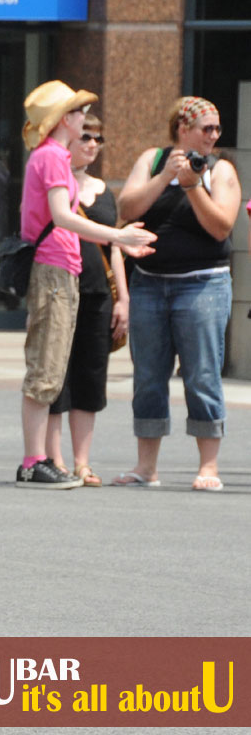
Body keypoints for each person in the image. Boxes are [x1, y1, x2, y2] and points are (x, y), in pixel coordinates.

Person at [16, 82, 156, 489]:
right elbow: (62, 217)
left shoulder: (50, 156)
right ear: (63, 119)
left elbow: (66, 217)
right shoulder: (54, 158)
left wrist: (118, 237)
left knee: (52, 367)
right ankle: (33, 460)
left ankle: (38, 458)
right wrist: (119, 237)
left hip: (61, 271)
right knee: (46, 369)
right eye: (78, 112)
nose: (84, 119)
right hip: (54, 271)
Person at [111, 96, 241, 491]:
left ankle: (209, 467)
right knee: (148, 375)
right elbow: (128, 209)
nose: (214, 136)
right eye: (207, 128)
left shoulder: (221, 171)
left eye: (217, 129)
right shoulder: (152, 159)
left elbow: (221, 227)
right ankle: (146, 467)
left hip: (203, 284)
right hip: (150, 282)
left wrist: (191, 187)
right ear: (182, 129)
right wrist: (164, 174)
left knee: (202, 374)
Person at [44, 115, 128, 487]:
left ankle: (82, 461)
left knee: (91, 377)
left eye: (99, 138)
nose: (93, 143)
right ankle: (54, 458)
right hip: (61, 288)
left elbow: (114, 250)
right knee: (55, 375)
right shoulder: (56, 184)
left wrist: (123, 299)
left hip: (98, 295)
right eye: (86, 136)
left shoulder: (105, 190)